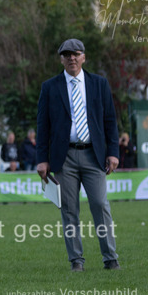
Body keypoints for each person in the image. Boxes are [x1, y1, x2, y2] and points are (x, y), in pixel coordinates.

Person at [36, 38, 120, 272]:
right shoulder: (50, 87)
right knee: (69, 210)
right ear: (61, 59)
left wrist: (113, 152)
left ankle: (111, 259)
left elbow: (110, 120)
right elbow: (43, 126)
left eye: (76, 53)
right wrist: (42, 159)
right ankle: (76, 261)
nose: (72, 58)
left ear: (84, 57)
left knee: (100, 205)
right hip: (65, 159)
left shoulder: (99, 84)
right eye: (67, 54)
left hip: (94, 155)